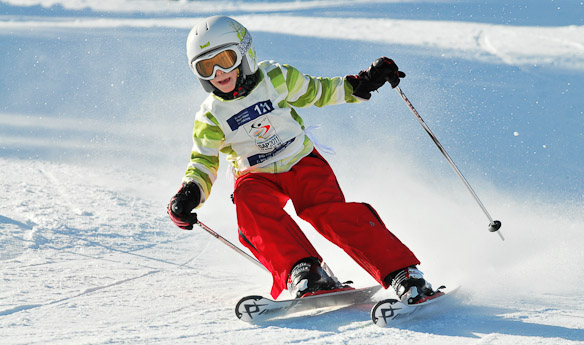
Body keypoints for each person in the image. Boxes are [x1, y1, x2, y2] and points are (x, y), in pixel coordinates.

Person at [168, 15, 438, 304]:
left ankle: (403, 273)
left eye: (226, 59)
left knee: (329, 213)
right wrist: (189, 193)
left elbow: (317, 91)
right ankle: (303, 271)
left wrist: (364, 84)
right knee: (249, 204)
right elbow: (203, 161)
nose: (219, 72)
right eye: (207, 66)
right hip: (256, 174)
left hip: (301, 162)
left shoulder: (275, 77)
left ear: (245, 53)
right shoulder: (210, 115)